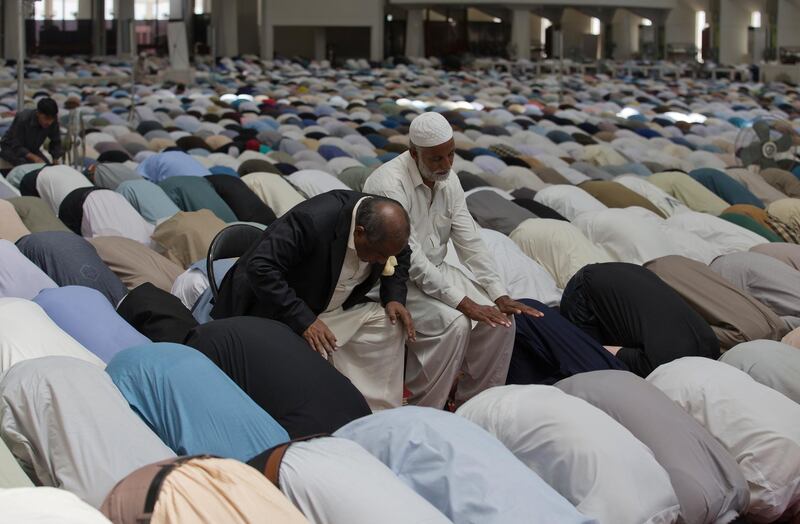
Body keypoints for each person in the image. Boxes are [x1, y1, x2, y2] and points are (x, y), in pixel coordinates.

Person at [364, 112, 541, 409]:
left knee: (501, 321)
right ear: (413, 153)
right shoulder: (388, 184)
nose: (445, 165)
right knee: (456, 323)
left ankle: (474, 407)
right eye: (436, 159)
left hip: (437, 271)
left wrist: (498, 293)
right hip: (393, 278)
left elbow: (469, 240)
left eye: (451, 155)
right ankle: (425, 410)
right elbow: (411, 257)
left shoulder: (449, 180)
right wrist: (463, 302)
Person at [211, 190, 414, 410]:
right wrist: (304, 319)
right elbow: (261, 267)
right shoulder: (314, 219)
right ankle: (324, 406)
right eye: (378, 254)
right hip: (279, 307)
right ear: (359, 232)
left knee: (389, 323)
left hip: (332, 304)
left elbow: (400, 254)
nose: (382, 261)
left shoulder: (388, 225)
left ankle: (373, 410)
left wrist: (394, 296)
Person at [0, 98, 63, 167]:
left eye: (51, 119)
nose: (49, 122)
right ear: (38, 113)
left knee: (47, 167)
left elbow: (56, 141)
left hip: (32, 149)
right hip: (10, 147)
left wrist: (55, 158)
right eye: (46, 118)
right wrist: (35, 158)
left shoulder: (53, 121)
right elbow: (16, 145)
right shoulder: (23, 118)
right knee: (25, 165)